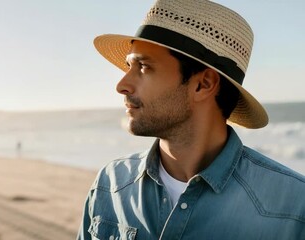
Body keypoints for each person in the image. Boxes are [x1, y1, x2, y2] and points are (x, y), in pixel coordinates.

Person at [77, 0, 305, 239]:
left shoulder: (293, 207)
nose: (121, 85)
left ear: (203, 84)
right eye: (128, 66)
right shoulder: (110, 184)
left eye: (143, 67)